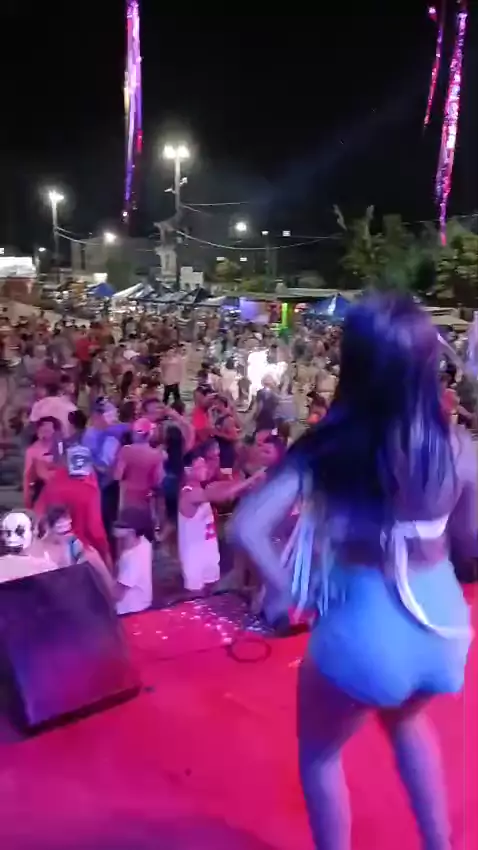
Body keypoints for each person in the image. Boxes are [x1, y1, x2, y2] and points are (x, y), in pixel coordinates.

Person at [230, 293, 476, 850]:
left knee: (320, 754)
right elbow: (471, 541)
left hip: (365, 633)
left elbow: (247, 527)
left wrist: (294, 590)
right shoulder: (459, 447)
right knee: (407, 722)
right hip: (442, 631)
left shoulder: (328, 448)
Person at [113, 507, 153, 615]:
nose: (115, 528)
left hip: (130, 613)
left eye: (121, 526)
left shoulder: (133, 558)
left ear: (131, 531)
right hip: (141, 608)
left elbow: (117, 594)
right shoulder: (144, 543)